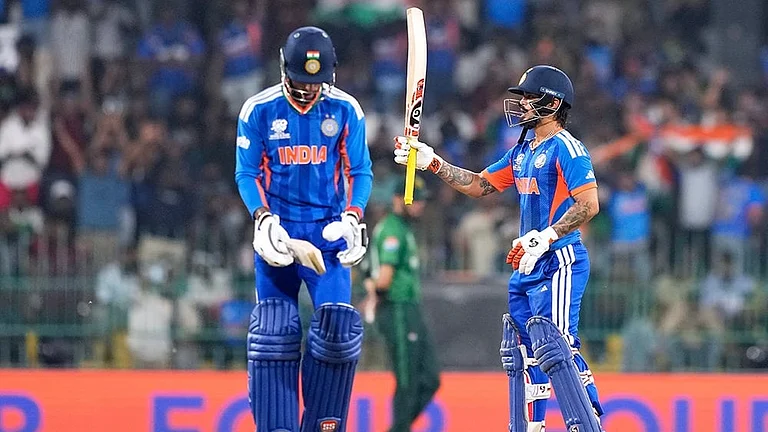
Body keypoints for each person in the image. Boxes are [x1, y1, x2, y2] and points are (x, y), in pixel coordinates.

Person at [394, 65, 604, 431]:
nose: (521, 104)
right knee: (524, 351)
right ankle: (533, 426)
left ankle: (589, 421)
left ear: (553, 104)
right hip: (528, 262)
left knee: (557, 346)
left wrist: (548, 236)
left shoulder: (567, 148)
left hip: (560, 258)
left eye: (529, 97)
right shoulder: (522, 151)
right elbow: (480, 185)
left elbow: (589, 204)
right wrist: (432, 162)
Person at [235, 26, 373, 432]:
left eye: (316, 82)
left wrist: (353, 217)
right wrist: (262, 219)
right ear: (283, 70)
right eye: (300, 81)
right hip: (279, 236)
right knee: (274, 333)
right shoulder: (258, 110)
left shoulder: (345, 109)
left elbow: (360, 171)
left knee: (336, 333)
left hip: (328, 236)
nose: (308, 90)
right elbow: (246, 173)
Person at [361, 176, 440, 432]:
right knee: (407, 379)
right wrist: (374, 295)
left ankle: (398, 428)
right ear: (398, 199)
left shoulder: (403, 228)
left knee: (429, 379)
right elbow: (383, 277)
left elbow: (368, 271)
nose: (420, 205)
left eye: (421, 201)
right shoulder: (393, 230)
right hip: (397, 308)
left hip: (409, 307)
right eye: (414, 200)